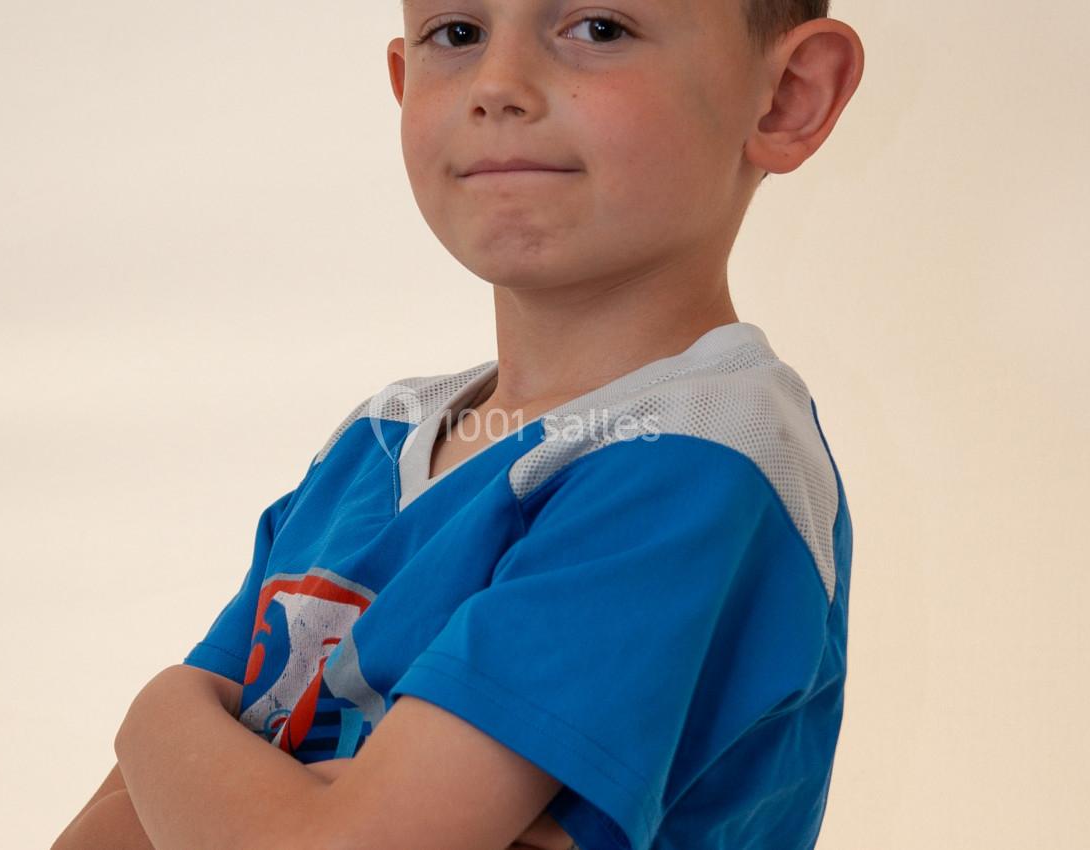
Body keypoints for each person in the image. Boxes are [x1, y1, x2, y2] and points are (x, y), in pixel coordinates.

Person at [54, 1, 864, 848]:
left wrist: (159, 712)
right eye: (458, 34)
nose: (497, 84)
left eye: (598, 28)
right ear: (404, 81)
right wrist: (285, 802)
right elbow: (100, 838)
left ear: (788, 96)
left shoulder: (697, 463)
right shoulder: (374, 443)